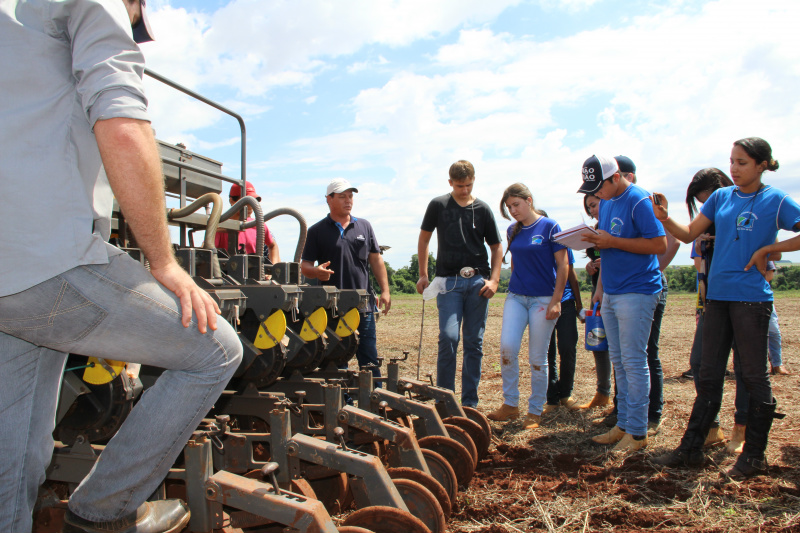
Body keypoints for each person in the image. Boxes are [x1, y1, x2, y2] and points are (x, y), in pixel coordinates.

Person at [0, 2, 244, 532]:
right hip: (44, 259)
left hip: (9, 275)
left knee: (16, 457)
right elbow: (121, 122)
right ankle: (101, 513)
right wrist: (164, 262)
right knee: (214, 351)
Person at [652, 137, 800, 478]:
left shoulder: (775, 199)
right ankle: (689, 450)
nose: (733, 168)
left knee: (753, 376)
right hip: (716, 298)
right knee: (709, 374)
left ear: (762, 165)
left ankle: (753, 456)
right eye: (731, 161)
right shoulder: (720, 197)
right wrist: (665, 217)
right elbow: (688, 234)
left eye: (742, 162)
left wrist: (767, 251)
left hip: (752, 300)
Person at [578, 155, 667, 455]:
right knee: (618, 360)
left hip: (638, 290)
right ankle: (624, 424)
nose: (596, 194)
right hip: (613, 291)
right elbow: (607, 243)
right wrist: (601, 288)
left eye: (598, 186)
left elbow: (659, 245)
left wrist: (612, 242)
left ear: (616, 177)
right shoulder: (607, 201)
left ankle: (638, 432)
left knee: (633, 361)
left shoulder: (639, 200)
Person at [416, 161, 502, 408]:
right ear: (450, 182)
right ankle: (446, 402)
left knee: (474, 342)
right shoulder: (439, 205)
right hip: (448, 282)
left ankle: (469, 405)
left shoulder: (483, 208)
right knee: (449, 336)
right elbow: (424, 240)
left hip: (477, 282)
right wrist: (423, 274)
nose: (464, 190)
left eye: (469, 185)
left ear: (474, 180)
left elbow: (496, 247)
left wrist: (494, 280)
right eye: (459, 185)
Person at [486, 184, 568, 429]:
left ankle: (535, 410)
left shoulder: (550, 226)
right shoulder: (513, 229)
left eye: (516, 205)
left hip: (544, 300)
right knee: (507, 348)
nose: (513, 210)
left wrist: (556, 300)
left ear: (529, 200)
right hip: (516, 297)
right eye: (509, 207)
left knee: (537, 357)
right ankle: (510, 404)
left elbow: (563, 266)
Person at [301, 178, 391, 378]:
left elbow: (376, 260)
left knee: (369, 359)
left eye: (350, 196)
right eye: (342, 197)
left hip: (362, 305)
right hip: (331, 307)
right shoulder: (316, 231)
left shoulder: (364, 227)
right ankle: (342, 404)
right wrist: (316, 271)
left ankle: (375, 401)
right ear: (329, 200)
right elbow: (305, 266)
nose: (348, 200)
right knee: (335, 360)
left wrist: (385, 290)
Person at [576, 193, 614, 411]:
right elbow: (595, 259)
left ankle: (620, 398)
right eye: (589, 207)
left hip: (617, 290)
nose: (592, 210)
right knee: (598, 341)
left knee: (619, 347)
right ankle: (602, 393)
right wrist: (591, 266)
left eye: (594, 205)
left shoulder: (618, 226)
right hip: (598, 292)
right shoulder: (594, 229)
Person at [543, 248, 583, 412]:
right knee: (547, 351)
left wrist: (578, 304)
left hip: (566, 302)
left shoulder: (562, 243)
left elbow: (572, 274)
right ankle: (551, 399)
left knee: (568, 347)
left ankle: (566, 394)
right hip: (542, 302)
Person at [216, 181, 280, 263]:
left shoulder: (259, 225)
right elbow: (208, 248)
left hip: (255, 273)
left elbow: (272, 246)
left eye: (253, 202)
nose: (251, 206)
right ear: (232, 201)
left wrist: (272, 269)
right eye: (246, 202)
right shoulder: (221, 226)